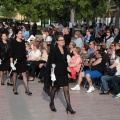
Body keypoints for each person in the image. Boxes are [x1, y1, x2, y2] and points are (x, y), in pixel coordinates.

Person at [49, 35, 76, 114]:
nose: (62, 41)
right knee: (55, 88)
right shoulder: (54, 49)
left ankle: (69, 106)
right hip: (56, 70)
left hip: (64, 70)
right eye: (60, 40)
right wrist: (52, 73)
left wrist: (67, 69)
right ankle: (52, 103)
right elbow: (52, 61)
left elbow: (65, 60)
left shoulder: (64, 48)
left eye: (63, 40)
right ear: (57, 42)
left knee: (66, 88)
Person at [10, 29, 32, 95]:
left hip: (22, 60)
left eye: (21, 33)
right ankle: (14, 88)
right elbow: (11, 53)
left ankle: (27, 89)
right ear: (16, 34)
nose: (21, 34)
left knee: (24, 74)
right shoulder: (13, 42)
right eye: (19, 33)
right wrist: (11, 63)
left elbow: (24, 51)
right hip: (16, 61)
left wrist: (27, 54)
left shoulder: (23, 42)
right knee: (15, 74)